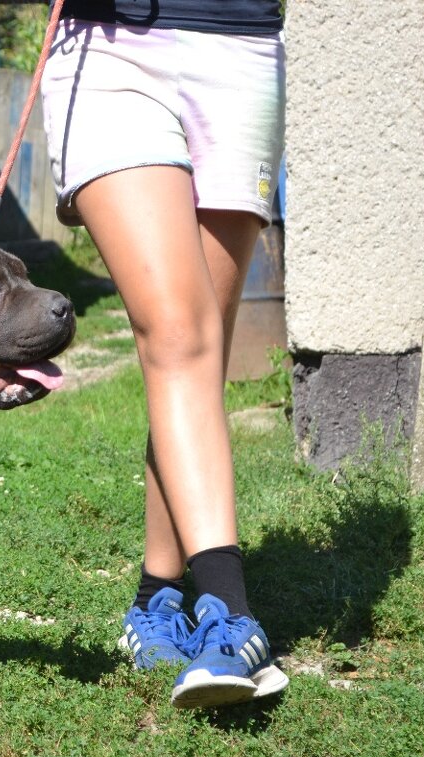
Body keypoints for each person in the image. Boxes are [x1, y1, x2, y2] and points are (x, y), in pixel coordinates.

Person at [39, 1, 289, 708]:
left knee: (196, 354)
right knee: (176, 330)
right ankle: (231, 614)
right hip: (109, 49)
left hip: (240, 46)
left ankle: (157, 599)